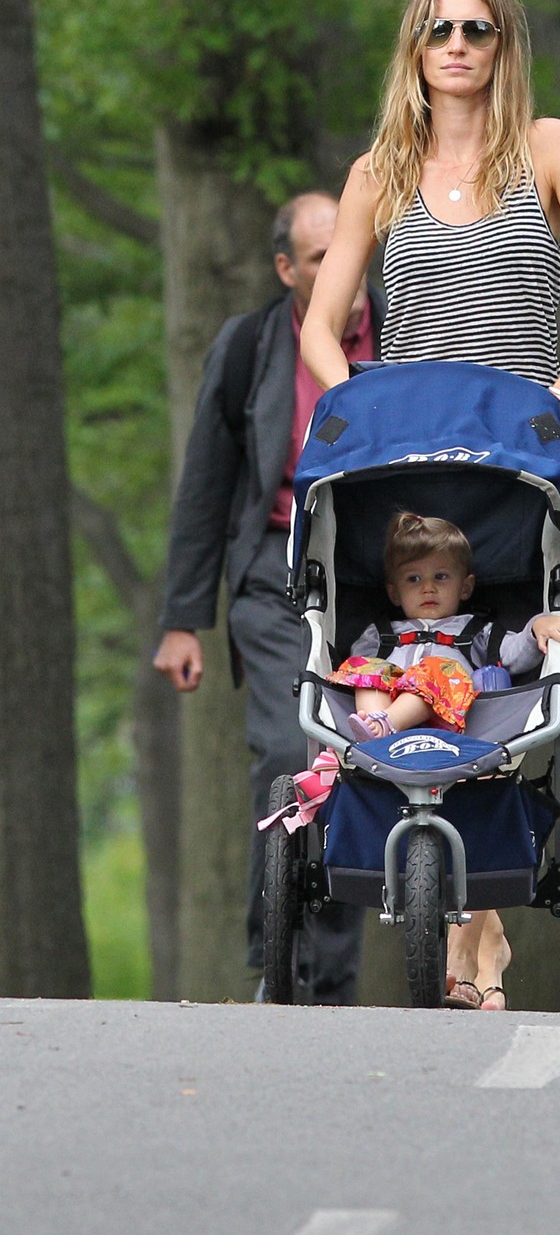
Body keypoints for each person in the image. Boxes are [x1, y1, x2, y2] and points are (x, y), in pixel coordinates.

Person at [302, 0, 560, 1009]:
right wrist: (353, 409)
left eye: (478, 30)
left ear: (504, 47)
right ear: (415, 49)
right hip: (409, 462)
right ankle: (465, 924)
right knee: (414, 645)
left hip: (518, 454)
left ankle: (477, 921)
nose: (458, 45)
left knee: (506, 658)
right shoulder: (378, 174)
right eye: (440, 29)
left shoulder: (549, 149)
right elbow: (321, 322)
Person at [155, 191, 379, 1004]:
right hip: (273, 578)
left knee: (361, 762)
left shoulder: (400, 331)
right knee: (295, 751)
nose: (339, 274)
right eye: (319, 259)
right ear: (287, 270)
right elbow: (205, 488)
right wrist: (184, 620)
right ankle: (278, 962)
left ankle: (335, 983)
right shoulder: (250, 346)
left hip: (381, 585)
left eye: (347, 252)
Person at [333, 512, 560, 740]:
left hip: (450, 717)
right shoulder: (381, 633)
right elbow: (358, 674)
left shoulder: (477, 630)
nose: (428, 587)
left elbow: (514, 654)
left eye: (440, 576)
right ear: (394, 593)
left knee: (438, 669)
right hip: (389, 704)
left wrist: (536, 627)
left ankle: (385, 726)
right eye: (413, 579)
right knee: (364, 666)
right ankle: (373, 727)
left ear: (465, 588)